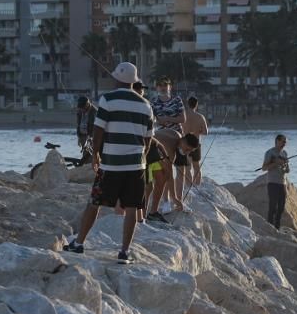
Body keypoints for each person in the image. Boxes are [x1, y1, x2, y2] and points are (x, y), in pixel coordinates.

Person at [64, 62, 154, 263]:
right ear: (134, 81)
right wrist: (141, 157)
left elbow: (98, 131)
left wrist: (96, 154)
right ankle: (124, 252)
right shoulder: (146, 105)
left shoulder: (107, 100)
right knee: (132, 208)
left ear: (117, 79)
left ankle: (79, 244)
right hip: (136, 166)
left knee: (94, 203)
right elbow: (148, 139)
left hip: (110, 164)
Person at [147, 130, 199, 221]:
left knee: (161, 179)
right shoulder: (170, 148)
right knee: (149, 185)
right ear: (182, 141)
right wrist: (174, 197)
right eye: (187, 149)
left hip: (153, 150)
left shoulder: (177, 134)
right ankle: (143, 214)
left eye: (190, 151)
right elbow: (169, 174)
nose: (186, 153)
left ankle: (153, 212)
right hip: (145, 148)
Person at [261, 134, 290, 229]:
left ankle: (277, 228)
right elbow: (264, 168)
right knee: (273, 206)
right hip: (272, 183)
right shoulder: (269, 153)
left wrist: (285, 165)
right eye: (283, 141)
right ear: (277, 141)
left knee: (281, 207)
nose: (284, 144)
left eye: (285, 142)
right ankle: (269, 227)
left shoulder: (285, 153)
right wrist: (275, 163)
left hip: (283, 183)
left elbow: (287, 171)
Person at [181, 96, 209, 191]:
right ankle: (197, 187)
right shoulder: (200, 117)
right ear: (196, 105)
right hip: (196, 144)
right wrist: (197, 131)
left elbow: (179, 129)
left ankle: (189, 187)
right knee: (196, 166)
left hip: (185, 144)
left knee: (187, 167)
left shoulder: (183, 115)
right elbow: (206, 132)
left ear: (187, 104)